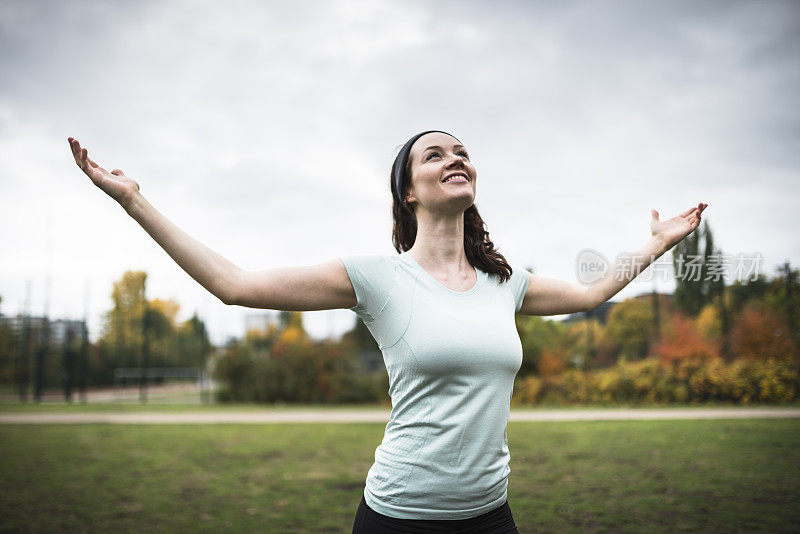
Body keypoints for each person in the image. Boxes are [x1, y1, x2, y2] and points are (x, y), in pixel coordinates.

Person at [68, 131, 706, 533]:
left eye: (462, 153)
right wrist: (134, 202)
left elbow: (592, 292)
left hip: (491, 516)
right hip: (400, 518)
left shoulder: (506, 281)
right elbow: (235, 284)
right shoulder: (375, 277)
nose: (456, 159)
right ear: (408, 193)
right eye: (436, 154)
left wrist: (651, 245)